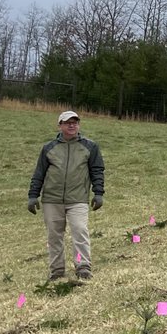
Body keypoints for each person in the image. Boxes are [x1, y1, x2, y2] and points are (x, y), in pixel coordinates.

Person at [28, 110, 105, 281]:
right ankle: (57, 270)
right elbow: (39, 173)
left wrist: (98, 193)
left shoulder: (90, 147)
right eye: (67, 122)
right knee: (54, 236)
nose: (72, 125)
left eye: (75, 122)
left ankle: (82, 266)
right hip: (51, 200)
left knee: (79, 231)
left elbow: (97, 170)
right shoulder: (48, 148)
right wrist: (33, 195)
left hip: (78, 199)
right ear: (60, 125)